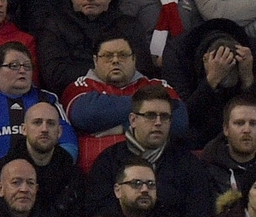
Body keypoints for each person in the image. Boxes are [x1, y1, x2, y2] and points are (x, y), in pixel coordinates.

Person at [86, 83, 211, 217]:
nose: (158, 123)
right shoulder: (108, 162)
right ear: (132, 120)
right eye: (150, 115)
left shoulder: (189, 164)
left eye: (164, 117)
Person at [35, 0, 155, 96]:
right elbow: (56, 75)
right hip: (73, 98)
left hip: (127, 97)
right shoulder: (54, 25)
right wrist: (111, 70)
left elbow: (143, 68)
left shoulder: (128, 25)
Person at [63, 33, 173, 172]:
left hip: (151, 176)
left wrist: (126, 126)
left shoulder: (155, 85)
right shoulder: (80, 86)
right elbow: (86, 114)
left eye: (122, 55)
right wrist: (147, 113)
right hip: (91, 176)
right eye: (108, 56)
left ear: (134, 59)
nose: (115, 60)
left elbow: (179, 118)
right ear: (95, 60)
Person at [161, 18, 256, 149]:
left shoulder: (252, 51)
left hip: (242, 128)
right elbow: (182, 117)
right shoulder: (177, 53)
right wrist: (211, 81)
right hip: (198, 132)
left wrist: (248, 79)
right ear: (205, 59)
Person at [0, 41, 79, 162]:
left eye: (27, 66)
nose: (22, 71)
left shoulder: (47, 99)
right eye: (14, 66)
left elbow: (69, 145)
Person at [3, 102, 85, 217]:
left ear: (59, 132)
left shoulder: (74, 176)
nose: (44, 129)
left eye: (51, 123)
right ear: (23, 129)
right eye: (37, 122)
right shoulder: (2, 171)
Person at [197, 95, 256, 201]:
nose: (247, 129)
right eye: (239, 123)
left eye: (253, 124)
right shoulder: (208, 167)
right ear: (226, 129)